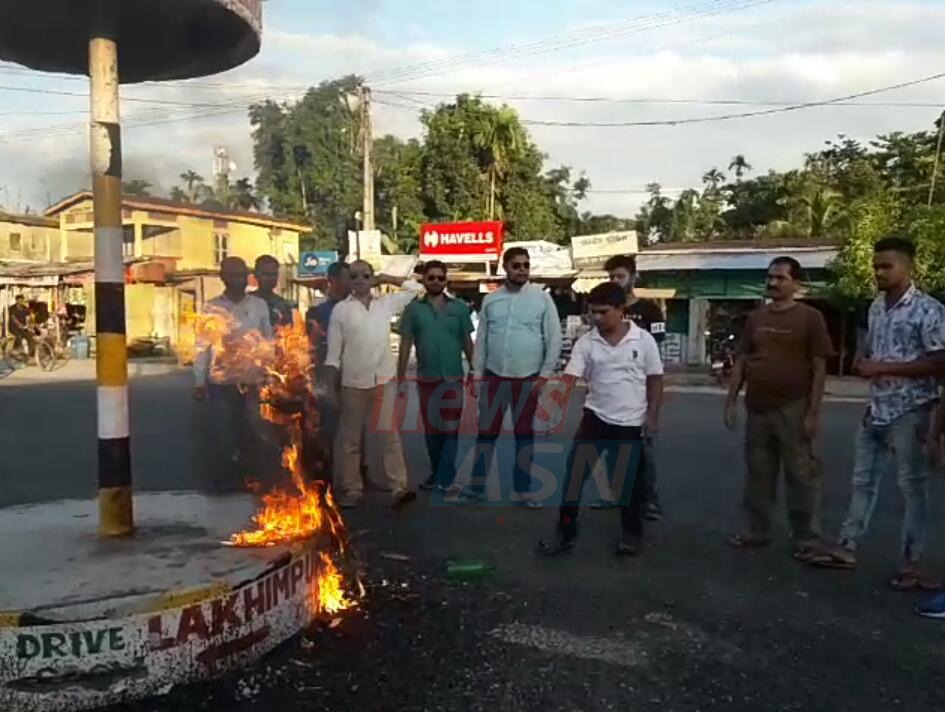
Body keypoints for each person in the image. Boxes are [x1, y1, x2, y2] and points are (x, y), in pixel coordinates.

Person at [809, 237, 945, 592]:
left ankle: (912, 563)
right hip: (877, 409)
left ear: (908, 267)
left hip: (913, 410)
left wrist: (882, 367)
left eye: (887, 266)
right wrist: (862, 363)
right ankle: (847, 547)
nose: (879, 273)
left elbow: (939, 360)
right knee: (862, 482)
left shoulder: (928, 310)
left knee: (911, 489)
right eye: (876, 267)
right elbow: (871, 351)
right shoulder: (875, 307)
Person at [539, 282, 663, 556]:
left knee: (626, 486)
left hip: (630, 425)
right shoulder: (587, 343)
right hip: (595, 419)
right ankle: (565, 534)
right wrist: (553, 410)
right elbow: (569, 379)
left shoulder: (643, 341)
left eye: (603, 312)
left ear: (621, 310)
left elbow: (655, 379)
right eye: (592, 312)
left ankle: (632, 535)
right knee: (573, 478)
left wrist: (652, 416)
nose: (596, 318)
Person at [723, 257, 832, 560]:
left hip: (794, 407)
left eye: (780, 278)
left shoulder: (810, 318)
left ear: (795, 282)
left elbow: (819, 367)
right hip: (757, 407)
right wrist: (730, 402)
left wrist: (813, 413)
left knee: (801, 475)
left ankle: (807, 538)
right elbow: (742, 361)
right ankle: (756, 531)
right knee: (758, 474)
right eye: (770, 277)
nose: (773, 283)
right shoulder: (756, 318)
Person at [465, 247, 562, 508]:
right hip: (494, 377)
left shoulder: (541, 299)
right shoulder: (491, 300)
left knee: (523, 434)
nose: (522, 270)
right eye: (516, 265)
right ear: (505, 267)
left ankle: (523, 490)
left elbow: (554, 339)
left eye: (525, 265)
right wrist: (476, 374)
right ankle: (476, 486)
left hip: (527, 378)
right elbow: (482, 340)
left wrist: (544, 376)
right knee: (486, 432)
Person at [324, 259, 423, 509]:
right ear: (348, 279)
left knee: (388, 436)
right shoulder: (341, 311)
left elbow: (416, 290)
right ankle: (352, 489)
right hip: (353, 383)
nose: (359, 280)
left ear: (372, 278)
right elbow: (333, 354)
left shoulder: (385, 304)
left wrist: (388, 278)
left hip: (383, 379)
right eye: (354, 276)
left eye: (365, 275)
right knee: (350, 440)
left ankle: (398, 487)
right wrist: (329, 387)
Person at [193, 257, 273, 484]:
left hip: (252, 379)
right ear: (223, 278)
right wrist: (199, 381)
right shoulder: (212, 308)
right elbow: (202, 345)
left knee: (254, 430)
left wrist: (270, 373)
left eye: (242, 275)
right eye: (233, 275)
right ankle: (226, 478)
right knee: (224, 431)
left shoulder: (258, 306)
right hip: (222, 381)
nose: (239, 280)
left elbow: (268, 341)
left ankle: (254, 475)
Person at [397, 260, 475, 492]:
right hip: (427, 379)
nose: (436, 281)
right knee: (432, 430)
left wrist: (475, 370)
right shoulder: (413, 310)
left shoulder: (459, 308)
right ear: (424, 280)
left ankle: (446, 476)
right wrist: (400, 377)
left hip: (453, 379)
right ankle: (437, 474)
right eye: (431, 277)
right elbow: (405, 344)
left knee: (451, 429)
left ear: (446, 280)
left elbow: (467, 342)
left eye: (440, 278)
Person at [604, 254, 667, 520]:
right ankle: (617, 497)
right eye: (611, 277)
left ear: (633, 277)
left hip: (639, 388)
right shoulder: (604, 309)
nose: (616, 281)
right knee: (609, 446)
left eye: (620, 276)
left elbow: (658, 348)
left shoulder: (650, 310)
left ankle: (649, 501)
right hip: (608, 388)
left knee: (642, 448)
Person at [254, 254, 295, 330]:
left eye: (274, 274)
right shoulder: (245, 303)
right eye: (266, 274)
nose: (270, 278)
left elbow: (288, 331)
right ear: (256, 275)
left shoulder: (283, 305)